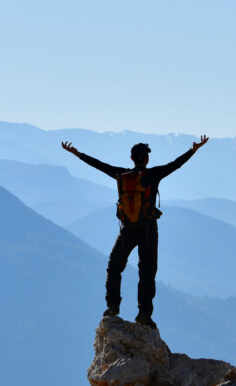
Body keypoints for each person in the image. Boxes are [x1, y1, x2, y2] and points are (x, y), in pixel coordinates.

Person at [61, 135, 208, 328]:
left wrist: (76, 153)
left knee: (114, 266)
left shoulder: (122, 175)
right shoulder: (153, 175)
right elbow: (175, 164)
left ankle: (113, 306)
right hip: (148, 231)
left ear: (131, 159)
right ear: (146, 159)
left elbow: (99, 165)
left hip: (127, 231)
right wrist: (193, 149)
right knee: (147, 273)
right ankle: (144, 314)